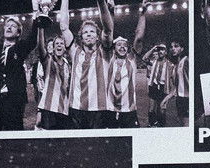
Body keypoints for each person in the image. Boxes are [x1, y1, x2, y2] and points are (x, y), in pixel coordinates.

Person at [59, 0, 114, 129]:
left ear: (98, 36)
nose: (89, 34)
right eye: (85, 32)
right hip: (76, 109)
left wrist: (101, 2)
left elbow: (108, 29)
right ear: (81, 37)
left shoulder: (104, 53)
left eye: (92, 31)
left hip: (99, 109)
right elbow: (64, 27)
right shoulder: (75, 52)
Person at [106, 0, 150, 128]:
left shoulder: (131, 59)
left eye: (124, 45)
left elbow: (139, 37)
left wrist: (143, 13)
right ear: (114, 48)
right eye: (119, 44)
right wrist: (111, 12)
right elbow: (108, 31)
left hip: (129, 109)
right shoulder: (108, 59)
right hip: (110, 108)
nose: (122, 47)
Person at [36, 30, 71, 130]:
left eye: (61, 43)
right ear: (54, 47)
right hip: (49, 107)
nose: (59, 45)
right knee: (49, 136)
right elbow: (40, 47)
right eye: (57, 44)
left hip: (63, 108)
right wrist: (41, 29)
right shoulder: (48, 61)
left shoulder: (68, 65)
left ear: (65, 48)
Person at [143, 42, 174, 126]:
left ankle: (161, 125)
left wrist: (171, 91)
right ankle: (151, 123)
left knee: (161, 108)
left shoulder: (170, 65)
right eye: (159, 49)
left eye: (162, 50)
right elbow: (144, 58)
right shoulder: (154, 61)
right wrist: (153, 48)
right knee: (151, 108)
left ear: (166, 52)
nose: (160, 51)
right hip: (154, 86)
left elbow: (172, 79)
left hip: (163, 88)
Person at [161, 38, 189, 127]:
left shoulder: (187, 60)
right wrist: (166, 99)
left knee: (186, 124)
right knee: (182, 123)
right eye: (171, 47)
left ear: (182, 48)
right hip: (180, 99)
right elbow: (176, 86)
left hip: (187, 98)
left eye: (176, 46)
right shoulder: (177, 64)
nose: (173, 48)